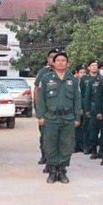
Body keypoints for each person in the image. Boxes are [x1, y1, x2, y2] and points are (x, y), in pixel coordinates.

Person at [36, 50, 82, 184]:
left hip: (67, 118)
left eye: (63, 60)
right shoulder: (46, 79)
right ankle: (52, 171)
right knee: (50, 145)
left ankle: (62, 171)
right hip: (50, 117)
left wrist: (77, 117)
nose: (61, 63)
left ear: (67, 63)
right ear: (53, 63)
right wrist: (40, 115)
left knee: (66, 145)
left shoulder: (72, 80)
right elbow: (41, 99)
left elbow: (77, 100)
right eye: (58, 60)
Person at [33, 49, 57, 167]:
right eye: (51, 57)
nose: (54, 59)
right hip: (46, 111)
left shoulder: (65, 73)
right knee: (45, 136)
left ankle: (55, 162)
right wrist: (38, 110)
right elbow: (37, 90)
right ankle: (45, 156)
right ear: (48, 59)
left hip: (59, 111)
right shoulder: (43, 73)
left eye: (56, 57)